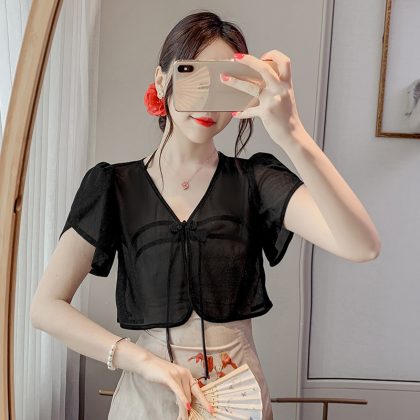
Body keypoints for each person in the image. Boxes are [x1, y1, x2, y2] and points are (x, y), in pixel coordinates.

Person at [30, 10, 381, 420]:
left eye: (226, 83)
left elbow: (362, 246)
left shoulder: (256, 180)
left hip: (238, 401)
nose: (209, 102)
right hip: (148, 399)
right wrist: (139, 360)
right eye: (196, 76)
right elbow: (46, 307)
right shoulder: (114, 186)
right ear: (162, 80)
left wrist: (292, 133)